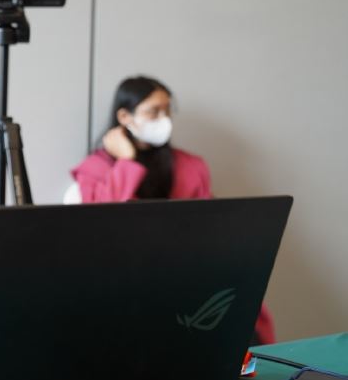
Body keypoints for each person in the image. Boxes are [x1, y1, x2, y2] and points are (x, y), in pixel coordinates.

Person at [71, 75, 274, 344]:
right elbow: (98, 225)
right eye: (154, 111)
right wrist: (127, 161)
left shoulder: (190, 166)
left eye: (167, 110)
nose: (164, 119)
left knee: (241, 302)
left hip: (186, 275)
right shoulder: (96, 168)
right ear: (124, 116)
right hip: (124, 281)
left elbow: (210, 231)